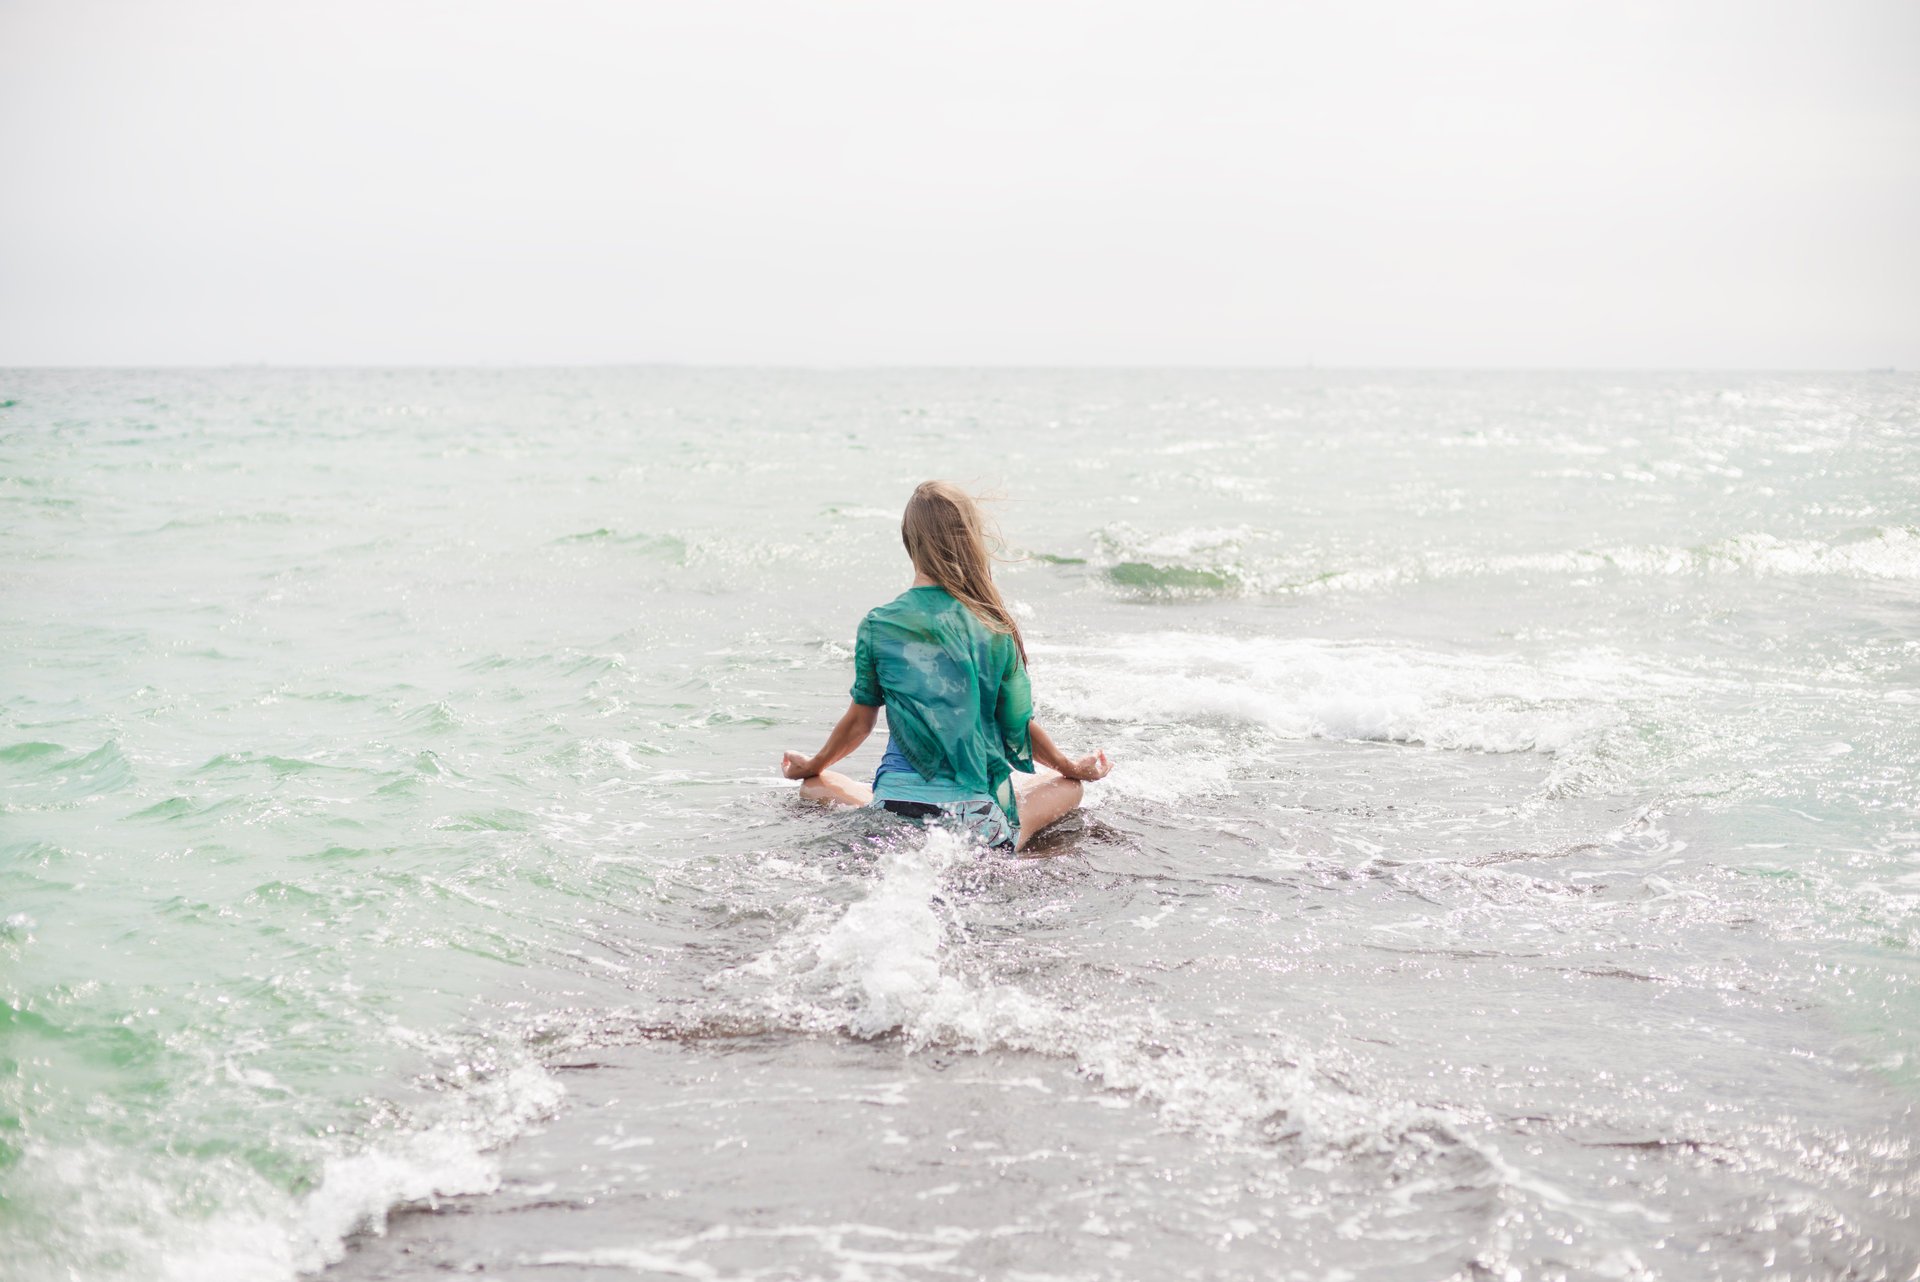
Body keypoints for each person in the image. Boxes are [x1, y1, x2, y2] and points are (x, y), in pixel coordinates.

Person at [781, 481, 1111, 854]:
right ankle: (1008, 830)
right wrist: (1070, 765)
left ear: (909, 541)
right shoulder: (993, 626)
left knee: (814, 785)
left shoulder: (878, 624)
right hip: (973, 821)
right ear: (970, 540)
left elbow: (860, 722)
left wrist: (813, 764)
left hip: (894, 809)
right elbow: (1016, 728)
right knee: (1068, 787)